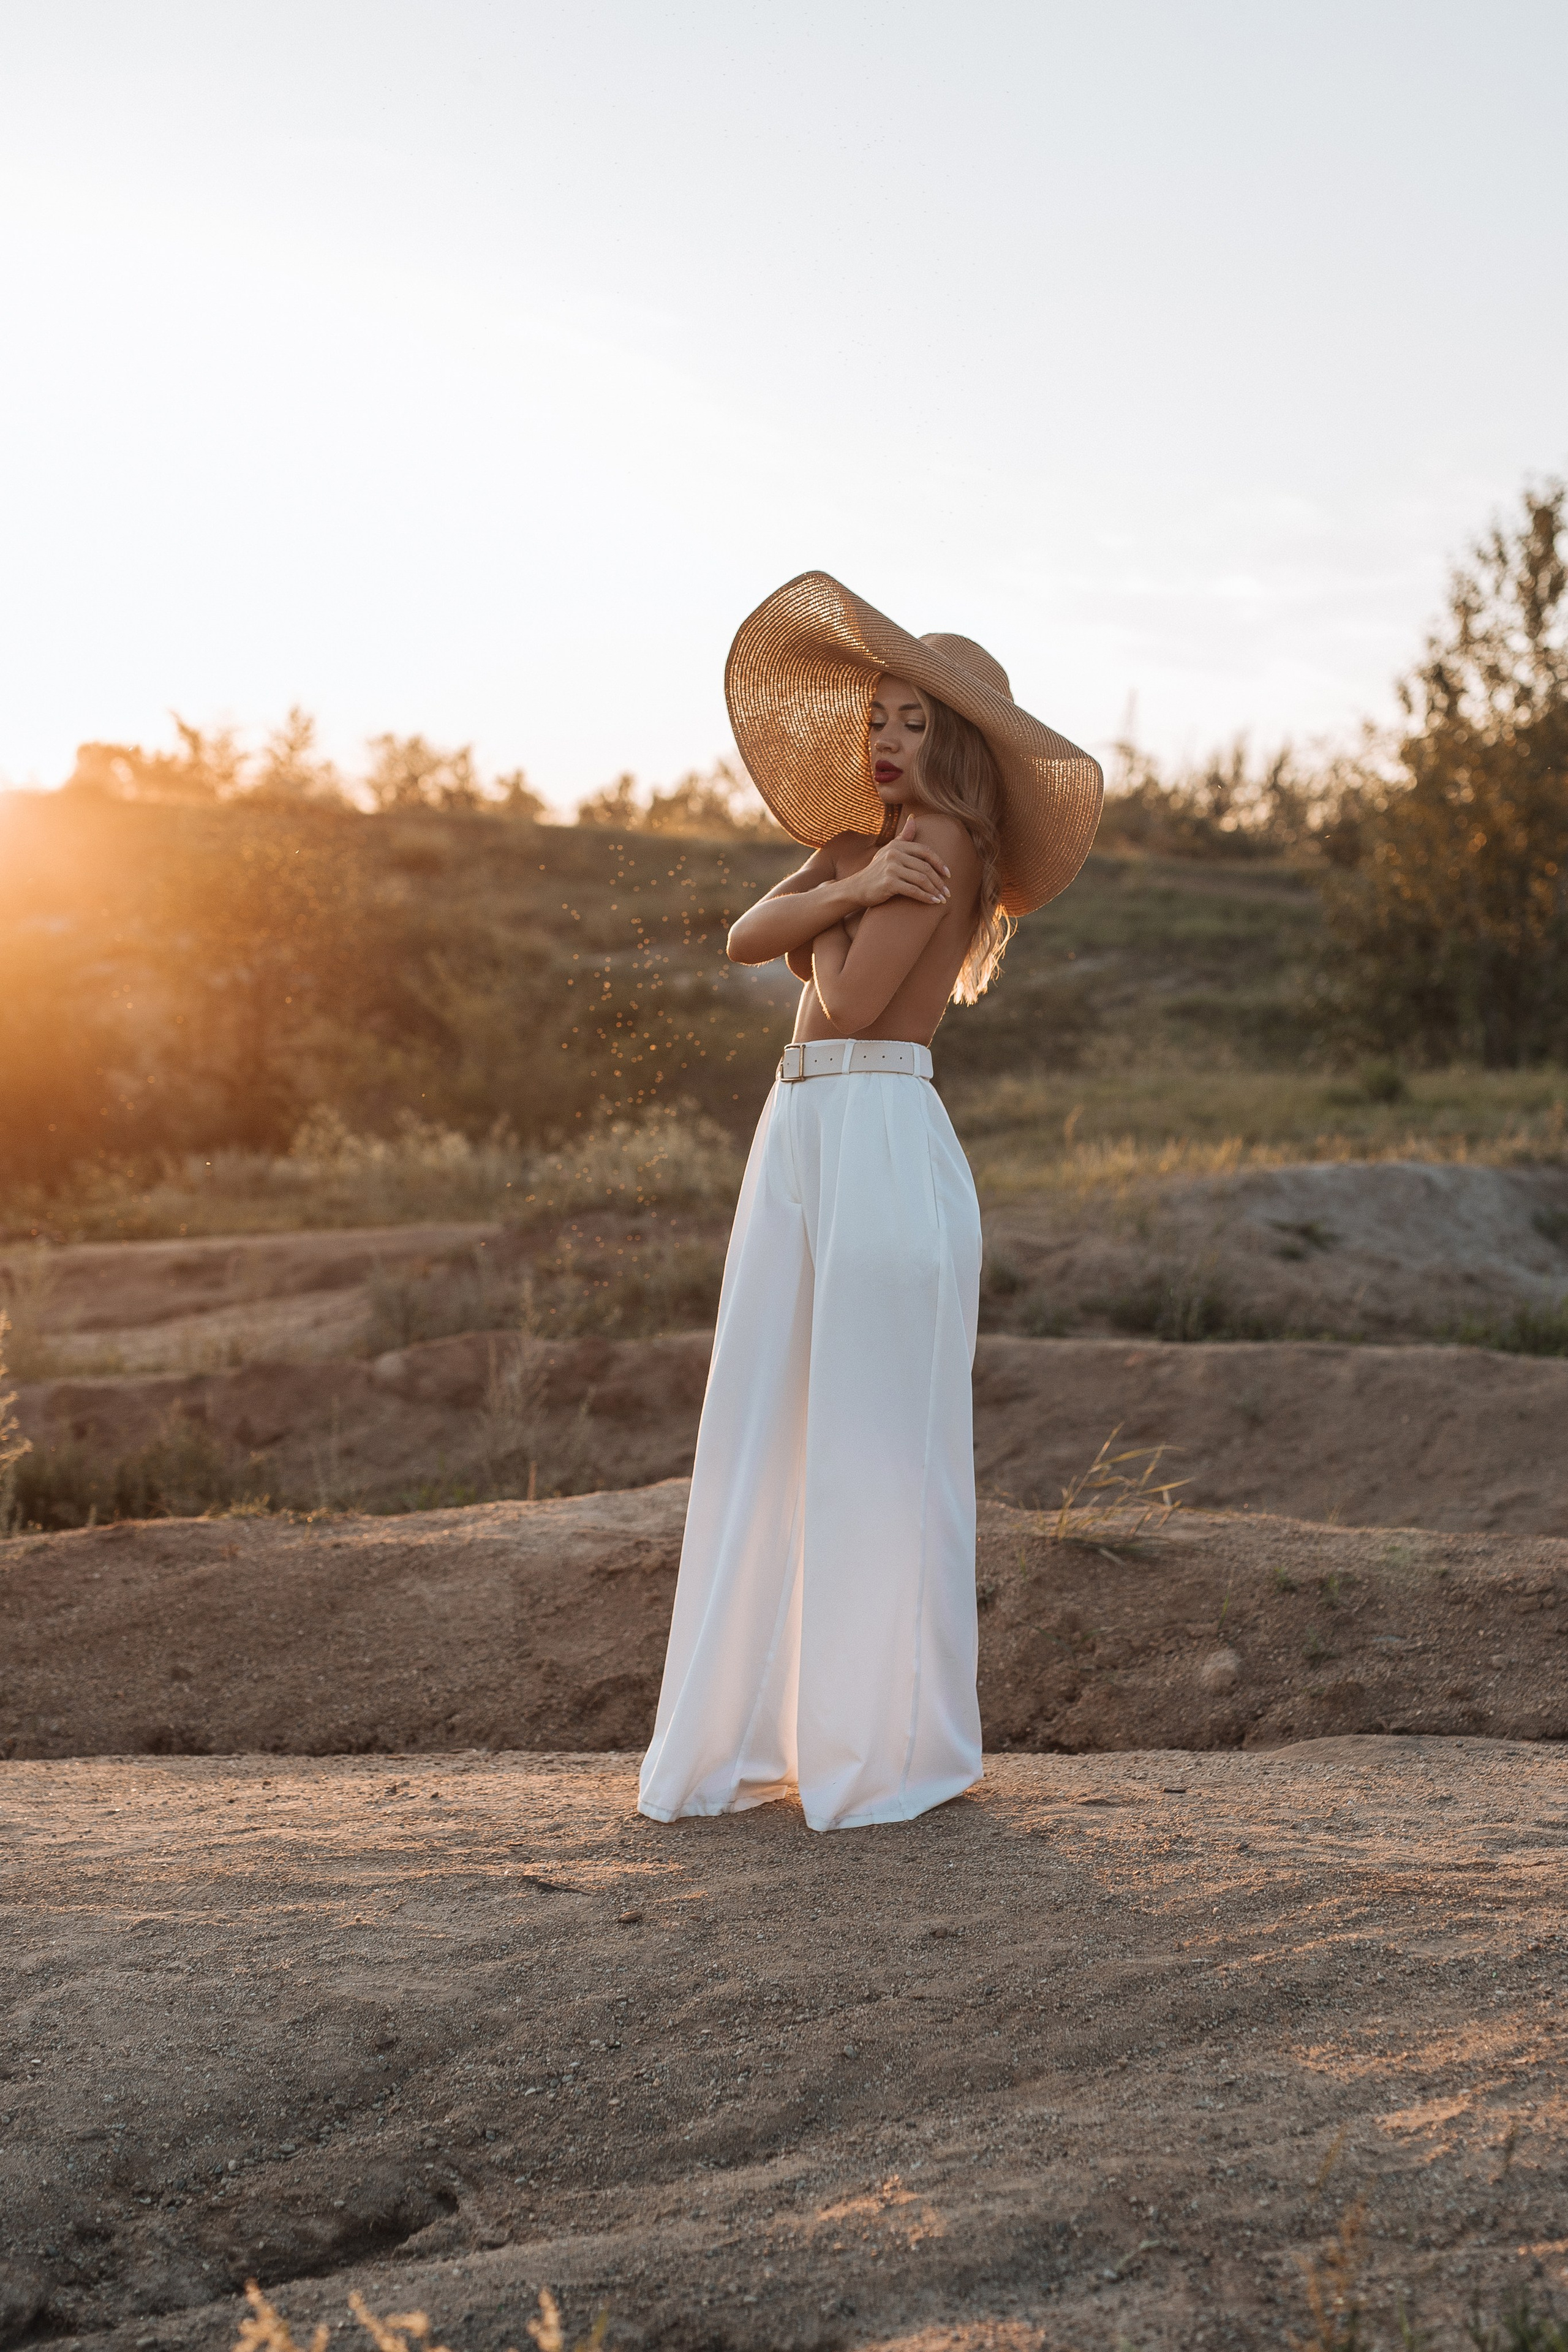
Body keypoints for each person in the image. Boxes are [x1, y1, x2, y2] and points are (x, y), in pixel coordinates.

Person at [637, 572, 1102, 1833]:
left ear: (953, 744)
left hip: (877, 1129)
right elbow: (748, 935)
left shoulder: (941, 845)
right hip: (802, 1134)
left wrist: (821, 920)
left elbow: (842, 1003)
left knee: (867, 1448)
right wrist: (835, 895)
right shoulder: (863, 852)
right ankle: (782, 1737)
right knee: (773, 1429)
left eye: (909, 721)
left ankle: (881, 1747)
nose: (883, 739)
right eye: (876, 718)